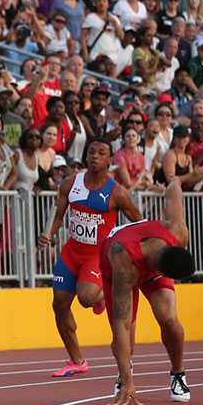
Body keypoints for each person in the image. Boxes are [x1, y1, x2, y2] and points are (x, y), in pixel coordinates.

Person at [39, 139, 145, 378]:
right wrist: (48, 234)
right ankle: (77, 360)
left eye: (101, 152)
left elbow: (139, 223)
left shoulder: (117, 192)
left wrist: (132, 253)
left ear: (110, 160)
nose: (94, 156)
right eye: (91, 152)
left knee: (86, 298)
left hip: (98, 255)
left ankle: (103, 294)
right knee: (59, 304)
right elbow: (58, 213)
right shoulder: (70, 184)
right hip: (72, 252)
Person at [101, 180, 196, 405]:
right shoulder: (124, 264)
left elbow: (174, 191)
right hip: (118, 264)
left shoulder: (177, 232)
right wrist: (128, 381)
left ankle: (178, 374)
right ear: (159, 270)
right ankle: (124, 372)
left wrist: (173, 179)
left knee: (170, 319)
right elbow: (121, 324)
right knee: (127, 338)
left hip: (149, 257)